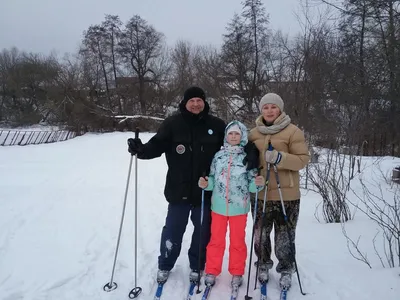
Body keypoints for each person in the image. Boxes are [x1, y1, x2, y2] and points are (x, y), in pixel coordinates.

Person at [126, 86, 259, 284]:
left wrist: (251, 152)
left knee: (203, 232)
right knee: (173, 230)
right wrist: (141, 150)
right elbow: (157, 145)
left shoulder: (215, 124)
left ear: (204, 102)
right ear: (185, 103)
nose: (196, 104)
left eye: (199, 100)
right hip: (178, 188)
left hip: (205, 191)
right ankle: (165, 264)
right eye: (192, 101)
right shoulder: (172, 123)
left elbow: (236, 137)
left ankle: (197, 266)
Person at [248, 92, 310, 290]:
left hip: (287, 194)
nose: (269, 110)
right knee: (261, 234)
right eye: (265, 107)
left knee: (285, 235)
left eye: (273, 107)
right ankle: (263, 265)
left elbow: (303, 160)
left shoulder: (293, 131)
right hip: (261, 192)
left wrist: (280, 158)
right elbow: (248, 160)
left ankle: (286, 268)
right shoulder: (253, 133)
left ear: (280, 109)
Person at [198, 120, 264, 288]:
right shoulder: (218, 156)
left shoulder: (247, 156)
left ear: (242, 136)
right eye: (231, 134)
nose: (233, 137)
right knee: (216, 241)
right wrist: (206, 184)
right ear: (226, 136)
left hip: (239, 207)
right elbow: (212, 178)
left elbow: (252, 182)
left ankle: (237, 272)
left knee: (237, 242)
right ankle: (212, 270)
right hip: (218, 206)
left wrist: (258, 183)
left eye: (237, 134)